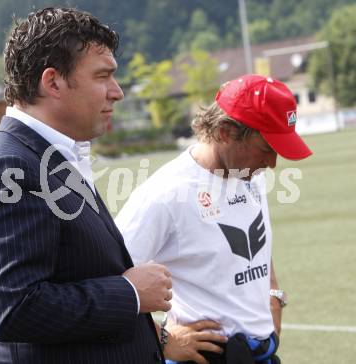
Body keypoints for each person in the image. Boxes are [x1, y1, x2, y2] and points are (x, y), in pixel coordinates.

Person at [0, 7, 175, 364]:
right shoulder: (8, 167)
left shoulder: (45, 155)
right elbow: (14, 308)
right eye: (103, 77)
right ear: (52, 81)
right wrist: (130, 292)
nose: (116, 92)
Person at [116, 74, 313, 364]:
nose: (272, 164)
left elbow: (257, 243)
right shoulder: (165, 194)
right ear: (224, 132)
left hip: (260, 355)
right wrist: (163, 339)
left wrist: (274, 295)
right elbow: (105, 284)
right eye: (267, 149)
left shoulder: (248, 172)